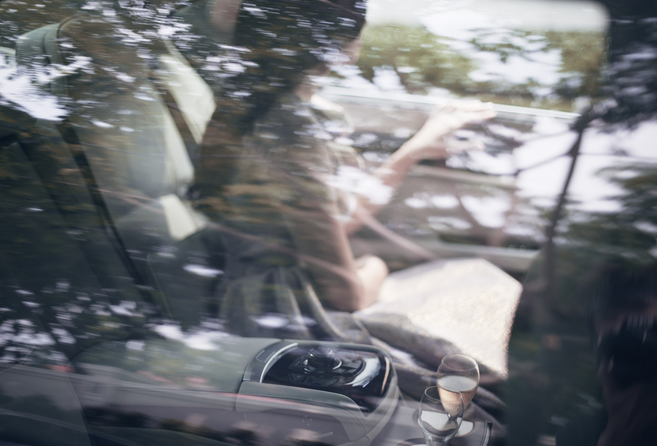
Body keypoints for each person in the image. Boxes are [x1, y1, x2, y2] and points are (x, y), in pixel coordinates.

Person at [190, 0, 496, 320]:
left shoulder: (260, 104)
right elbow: (345, 294)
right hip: (286, 314)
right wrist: (377, 266)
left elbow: (328, 222)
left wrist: (414, 149)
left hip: (270, 298)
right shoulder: (293, 134)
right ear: (338, 44)